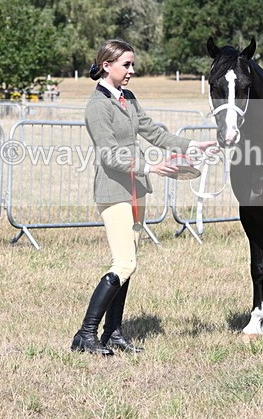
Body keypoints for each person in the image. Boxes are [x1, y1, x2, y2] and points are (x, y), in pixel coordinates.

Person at [71, 39, 216, 356]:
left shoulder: (128, 98)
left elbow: (154, 132)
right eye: (126, 65)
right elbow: (109, 156)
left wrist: (192, 146)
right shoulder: (97, 107)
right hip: (114, 191)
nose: (132, 71)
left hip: (137, 190)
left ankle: (113, 333)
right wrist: (150, 165)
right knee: (124, 263)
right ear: (107, 66)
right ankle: (85, 335)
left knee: (128, 265)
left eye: (132, 64)